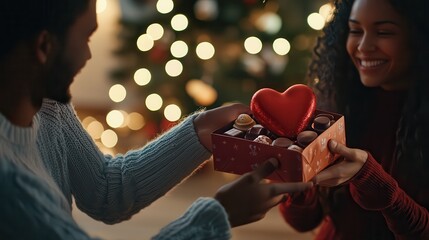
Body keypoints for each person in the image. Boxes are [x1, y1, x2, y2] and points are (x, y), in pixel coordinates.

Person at [0, 0, 313, 239]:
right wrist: (220, 215)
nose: (87, 55)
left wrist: (199, 132)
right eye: (86, 38)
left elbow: (106, 191)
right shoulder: (9, 185)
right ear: (44, 46)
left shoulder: (48, 106)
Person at [279, 0, 429, 239]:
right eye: (355, 30)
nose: (364, 46)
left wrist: (378, 187)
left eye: (384, 32)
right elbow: (305, 221)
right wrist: (294, 181)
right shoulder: (341, 103)